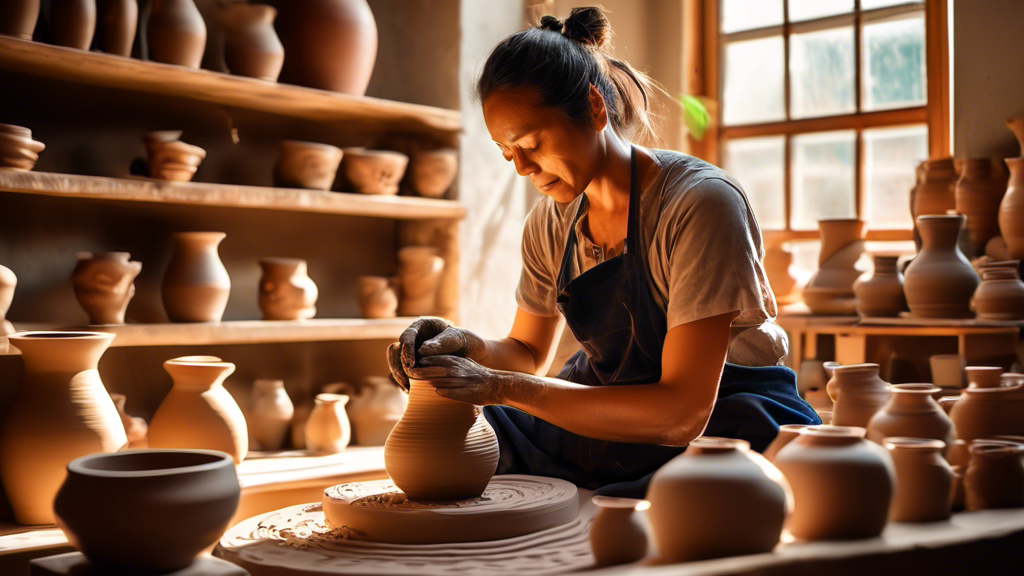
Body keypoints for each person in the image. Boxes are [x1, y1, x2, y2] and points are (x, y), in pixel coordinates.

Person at [387, 7, 819, 498]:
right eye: (509, 154)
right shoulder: (552, 221)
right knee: (488, 430)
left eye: (532, 143)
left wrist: (502, 386)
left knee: (696, 491)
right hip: (619, 406)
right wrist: (463, 348)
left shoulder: (699, 203)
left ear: (595, 108)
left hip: (722, 411)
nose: (523, 168)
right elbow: (527, 353)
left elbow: (681, 414)